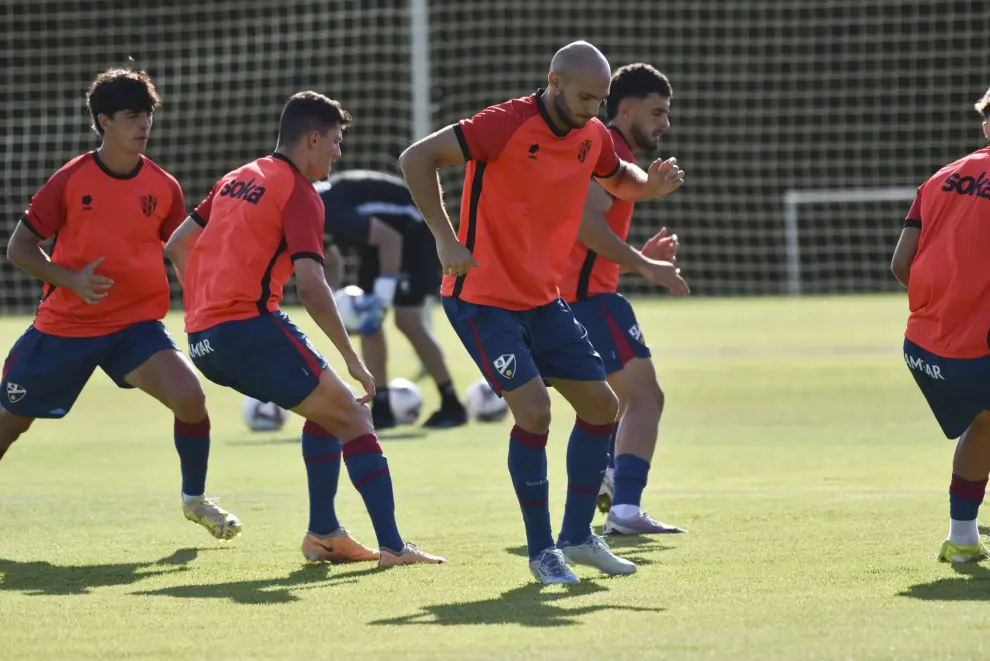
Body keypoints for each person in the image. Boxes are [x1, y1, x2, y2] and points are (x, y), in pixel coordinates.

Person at [399, 41, 687, 584]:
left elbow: (617, 172)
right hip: (482, 301)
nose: (591, 110)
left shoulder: (592, 133)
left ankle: (578, 537)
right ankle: (542, 553)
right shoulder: (505, 123)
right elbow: (416, 158)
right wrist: (444, 238)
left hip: (543, 300)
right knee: (534, 413)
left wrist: (649, 187)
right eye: (583, 97)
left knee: (602, 407)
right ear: (553, 81)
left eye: (600, 100)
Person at [164, 91, 444, 568]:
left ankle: (324, 535)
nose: (339, 152)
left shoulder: (237, 178)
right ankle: (394, 548)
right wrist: (353, 358)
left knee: (326, 410)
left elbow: (178, 244)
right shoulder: (299, 193)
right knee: (355, 416)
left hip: (204, 340)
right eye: (335, 141)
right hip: (250, 327)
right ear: (313, 138)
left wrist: (204, 304)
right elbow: (313, 287)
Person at [0, 66, 241, 541]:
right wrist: (69, 279)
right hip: (66, 327)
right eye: (133, 116)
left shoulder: (163, 186)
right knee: (9, 425)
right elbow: (20, 249)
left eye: (148, 115)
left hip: (134, 327)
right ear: (104, 121)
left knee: (190, 397)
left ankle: (195, 500)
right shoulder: (70, 180)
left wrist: (202, 302)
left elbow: (180, 248)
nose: (144, 126)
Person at [560, 63, 687, 536]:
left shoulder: (613, 150)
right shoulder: (610, 149)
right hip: (589, 301)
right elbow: (584, 224)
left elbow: (589, 235)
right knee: (645, 397)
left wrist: (636, 258)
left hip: (578, 298)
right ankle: (625, 508)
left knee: (610, 403)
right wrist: (642, 264)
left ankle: (608, 477)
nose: (665, 123)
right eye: (657, 113)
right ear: (626, 110)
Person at [892, 86, 990, 564]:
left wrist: (950, 308)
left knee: (985, 424)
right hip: (978, 349)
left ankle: (963, 539)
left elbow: (900, 263)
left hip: (923, 347)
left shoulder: (939, 179)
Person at [315, 170, 468, 429]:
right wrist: (333, 297)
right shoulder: (310, 211)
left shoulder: (328, 210)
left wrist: (382, 298)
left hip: (414, 233)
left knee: (407, 320)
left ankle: (452, 404)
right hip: (382, 241)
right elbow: (331, 260)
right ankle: (382, 407)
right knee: (369, 324)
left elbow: (390, 238)